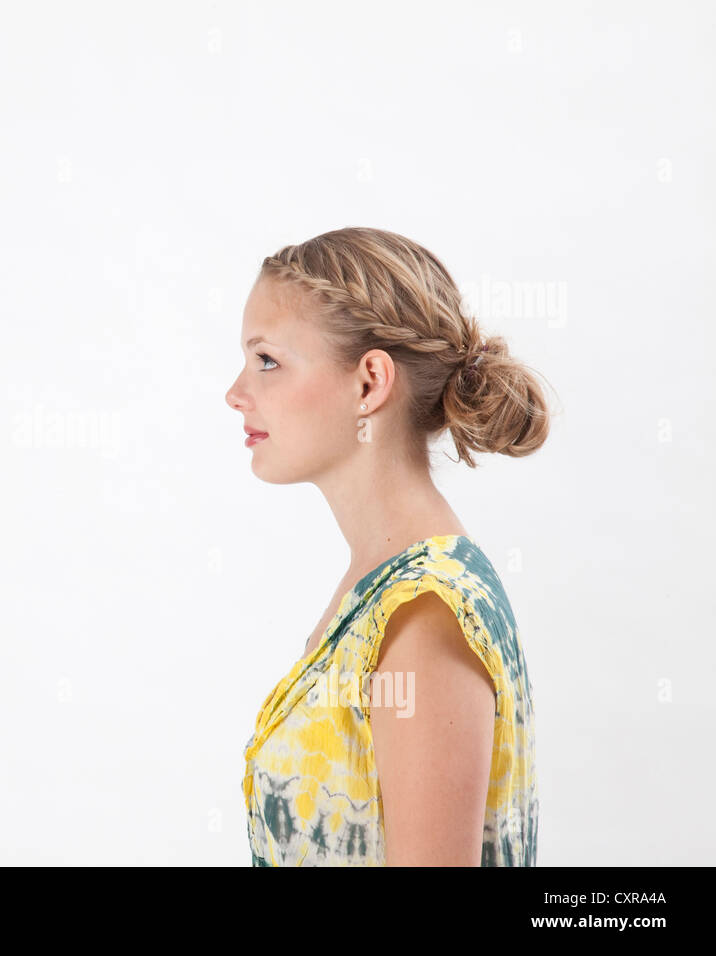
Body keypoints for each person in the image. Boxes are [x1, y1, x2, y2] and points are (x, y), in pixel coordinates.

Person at [225, 227, 547, 866]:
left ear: (369, 382)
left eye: (267, 360)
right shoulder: (380, 587)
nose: (236, 392)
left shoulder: (424, 616)